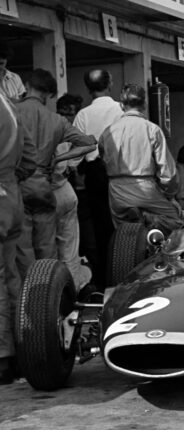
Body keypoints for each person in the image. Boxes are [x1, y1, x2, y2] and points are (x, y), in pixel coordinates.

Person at [15, 69, 96, 280]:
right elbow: (89, 143)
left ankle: (28, 298)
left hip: (19, 183)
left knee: (23, 250)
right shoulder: (57, 120)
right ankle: (50, 298)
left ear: (26, 85)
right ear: (50, 94)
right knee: (47, 247)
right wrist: (60, 158)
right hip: (45, 184)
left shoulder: (12, 112)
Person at [98, 83, 183, 233]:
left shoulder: (107, 132)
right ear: (144, 104)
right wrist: (170, 195)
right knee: (177, 222)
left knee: (122, 232)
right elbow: (168, 174)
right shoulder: (152, 130)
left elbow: (103, 161)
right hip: (145, 190)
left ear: (121, 105)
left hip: (117, 191)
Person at [73, 69, 124, 289]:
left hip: (94, 174)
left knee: (100, 229)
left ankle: (105, 282)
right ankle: (125, 274)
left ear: (87, 88)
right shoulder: (122, 110)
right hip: (121, 173)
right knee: (124, 226)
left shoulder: (83, 115)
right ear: (110, 83)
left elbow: (75, 153)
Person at [0, 93, 37, 384]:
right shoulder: (9, 104)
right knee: (11, 273)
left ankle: (3, 356)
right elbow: (30, 158)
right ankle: (19, 352)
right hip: (10, 192)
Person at [53, 94, 93, 292]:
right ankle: (72, 292)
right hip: (63, 190)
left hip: (44, 190)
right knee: (69, 250)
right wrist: (69, 163)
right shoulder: (68, 128)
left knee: (49, 249)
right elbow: (88, 144)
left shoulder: (49, 125)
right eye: (65, 113)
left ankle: (54, 293)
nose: (68, 116)